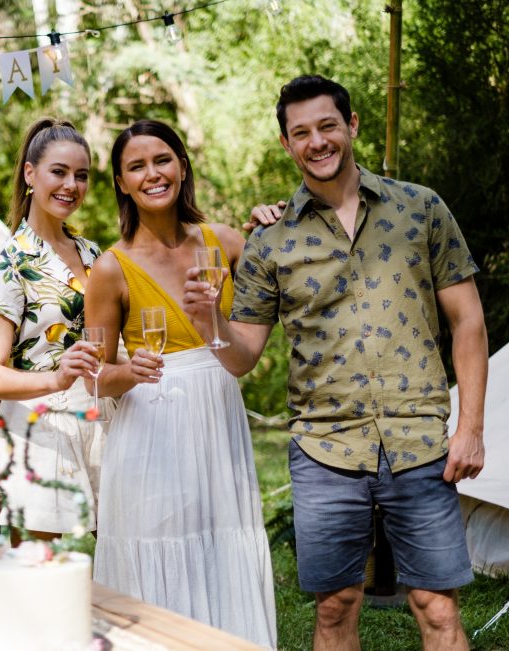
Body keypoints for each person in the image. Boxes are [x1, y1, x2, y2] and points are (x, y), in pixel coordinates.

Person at [184, 74, 487, 651]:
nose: (317, 142)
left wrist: (469, 426)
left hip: (420, 439)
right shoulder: (271, 242)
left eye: (327, 126)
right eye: (301, 133)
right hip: (324, 449)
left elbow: (466, 321)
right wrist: (210, 323)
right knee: (335, 608)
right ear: (286, 144)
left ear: (351, 126)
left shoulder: (420, 208)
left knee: (438, 608)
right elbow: (244, 356)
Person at [86, 119, 276, 648]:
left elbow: (285, 263)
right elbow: (95, 377)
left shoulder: (227, 242)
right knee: (161, 546)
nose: (153, 174)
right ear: (122, 183)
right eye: (136, 167)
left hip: (218, 418)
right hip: (152, 429)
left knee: (222, 546)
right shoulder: (110, 268)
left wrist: (272, 221)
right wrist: (129, 372)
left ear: (182, 165)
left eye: (162, 160)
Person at [0, 119, 103, 539]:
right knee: (36, 572)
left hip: (102, 418)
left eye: (81, 175)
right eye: (59, 172)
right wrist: (57, 377)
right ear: (31, 174)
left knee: (120, 561)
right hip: (39, 427)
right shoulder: (11, 263)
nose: (71, 185)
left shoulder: (92, 253)